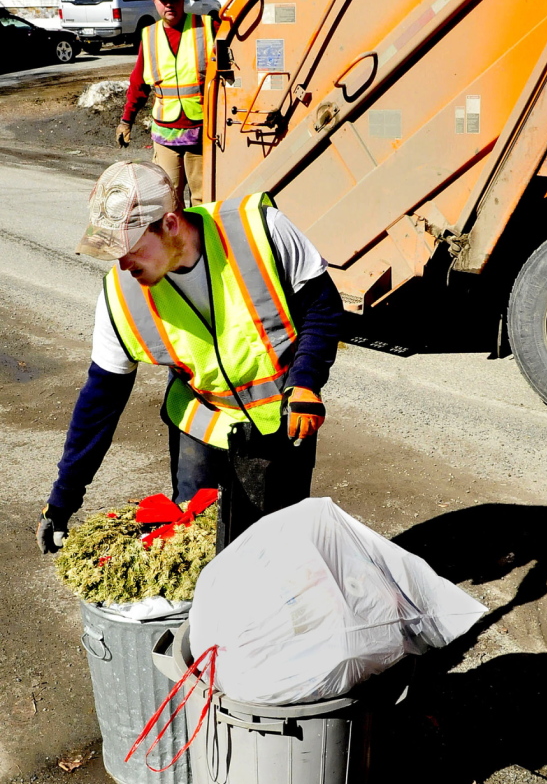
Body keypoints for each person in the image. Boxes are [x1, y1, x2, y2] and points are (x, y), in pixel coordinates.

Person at [36, 160, 344, 554]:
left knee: (280, 548)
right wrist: (63, 500)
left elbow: (322, 307)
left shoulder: (260, 230)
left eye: (129, 247)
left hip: (282, 421)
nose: (123, 263)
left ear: (169, 223)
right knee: (193, 545)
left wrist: (306, 382)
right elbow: (100, 402)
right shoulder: (120, 297)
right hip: (200, 426)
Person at [115, 0, 215, 206]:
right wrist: (126, 120)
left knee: (203, 201)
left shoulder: (208, 27)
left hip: (201, 131)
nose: (169, 4)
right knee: (169, 200)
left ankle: (202, 242)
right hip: (166, 135)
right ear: (155, 2)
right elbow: (138, 83)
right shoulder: (149, 35)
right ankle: (178, 243)